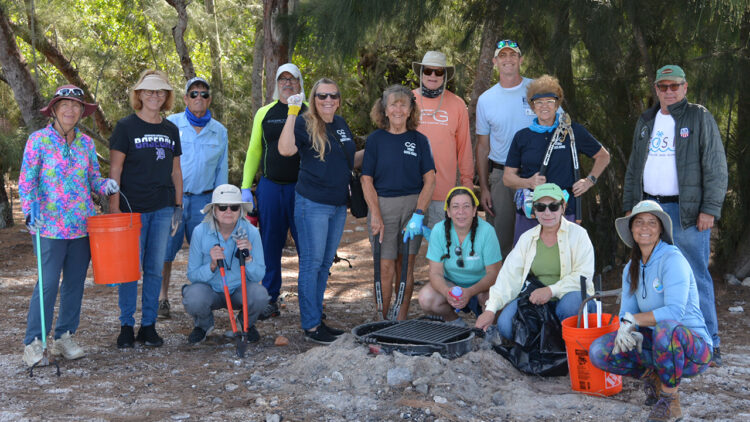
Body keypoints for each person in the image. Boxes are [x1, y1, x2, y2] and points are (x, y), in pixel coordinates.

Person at [623, 65, 728, 366]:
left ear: (685, 88)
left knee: (695, 274)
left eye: (675, 86)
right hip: (649, 210)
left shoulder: (699, 117)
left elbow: (716, 165)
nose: (669, 91)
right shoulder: (646, 120)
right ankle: (659, 341)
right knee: (649, 273)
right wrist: (632, 205)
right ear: (655, 89)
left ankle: (710, 342)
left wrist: (710, 208)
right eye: (663, 86)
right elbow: (633, 168)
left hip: (687, 212)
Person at [19, 85, 119, 367]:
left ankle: (64, 336)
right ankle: (34, 343)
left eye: (76, 105)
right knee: (48, 285)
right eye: (64, 104)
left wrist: (105, 185)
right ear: (53, 109)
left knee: (74, 284)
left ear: (81, 112)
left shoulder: (86, 144)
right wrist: (28, 212)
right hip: (47, 226)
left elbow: (92, 180)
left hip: (82, 226)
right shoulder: (37, 140)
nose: (70, 110)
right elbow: (26, 182)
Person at [589, 200, 712, 422]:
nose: (645, 227)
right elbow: (626, 314)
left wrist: (634, 320)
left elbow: (674, 313)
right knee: (599, 350)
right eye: (639, 222)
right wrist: (625, 330)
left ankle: (669, 400)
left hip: (694, 351)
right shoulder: (630, 268)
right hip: (659, 344)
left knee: (666, 329)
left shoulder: (672, 259)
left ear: (661, 229)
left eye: (651, 222)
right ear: (632, 229)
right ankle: (654, 378)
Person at [278, 78, 359, 344]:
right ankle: (311, 326)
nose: (328, 101)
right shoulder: (303, 122)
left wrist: (381, 148)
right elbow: (286, 149)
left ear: (339, 98)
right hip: (312, 203)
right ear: (313, 98)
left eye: (333, 96)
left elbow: (347, 157)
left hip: (338, 205)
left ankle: (317, 318)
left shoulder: (342, 124)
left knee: (325, 264)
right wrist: (291, 112)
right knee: (311, 264)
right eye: (322, 96)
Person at [109, 70, 182, 349]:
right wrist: (114, 207)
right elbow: (115, 168)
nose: (155, 96)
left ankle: (148, 325)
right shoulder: (126, 127)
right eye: (150, 91)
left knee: (153, 269)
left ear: (166, 97)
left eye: (161, 92)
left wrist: (178, 204)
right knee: (129, 270)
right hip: (131, 210)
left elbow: (176, 170)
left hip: (162, 209)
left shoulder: (170, 129)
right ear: (139, 95)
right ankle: (126, 325)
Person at [475, 183, 594, 339]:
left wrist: (551, 290)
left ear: (563, 207)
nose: (547, 212)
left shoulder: (579, 234)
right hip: (536, 298)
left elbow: (583, 277)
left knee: (570, 307)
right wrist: (491, 309)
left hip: (568, 297)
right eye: (540, 207)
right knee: (505, 326)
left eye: (553, 206)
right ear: (534, 211)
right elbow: (509, 277)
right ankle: (544, 344)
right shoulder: (527, 238)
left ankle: (568, 346)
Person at [503, 74, 610, 243]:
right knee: (527, 261)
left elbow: (603, 156)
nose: (544, 106)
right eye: (539, 102)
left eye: (549, 101)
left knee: (566, 261)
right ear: (532, 106)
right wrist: (529, 182)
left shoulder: (572, 131)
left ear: (557, 104)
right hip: (532, 210)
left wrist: (589, 181)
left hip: (565, 209)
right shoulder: (522, 137)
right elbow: (507, 178)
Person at [362, 85, 436, 320]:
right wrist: (375, 213)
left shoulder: (420, 140)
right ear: (384, 109)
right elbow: (366, 179)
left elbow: (430, 179)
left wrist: (419, 213)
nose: (398, 109)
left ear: (410, 109)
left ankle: (400, 319)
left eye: (403, 104)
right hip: (383, 206)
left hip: (412, 209)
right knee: (384, 267)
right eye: (393, 103)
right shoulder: (375, 140)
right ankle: (381, 319)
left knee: (405, 267)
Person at [159, 76, 228, 320]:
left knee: (205, 251)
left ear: (209, 99)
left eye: (204, 93)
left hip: (203, 200)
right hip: (172, 200)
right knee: (165, 250)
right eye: (194, 93)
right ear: (186, 98)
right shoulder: (171, 124)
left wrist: (221, 205)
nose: (199, 97)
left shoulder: (219, 131)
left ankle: (202, 301)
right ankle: (162, 299)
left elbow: (222, 170)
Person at [241, 63, 306, 321]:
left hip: (303, 190)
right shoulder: (264, 113)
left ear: (300, 83)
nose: (287, 83)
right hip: (270, 187)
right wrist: (246, 187)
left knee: (307, 247)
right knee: (270, 243)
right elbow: (254, 150)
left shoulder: (309, 111)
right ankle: (270, 298)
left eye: (292, 79)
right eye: (283, 79)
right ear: (276, 83)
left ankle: (310, 301)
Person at [182, 184, 268, 344]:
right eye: (222, 207)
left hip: (238, 289)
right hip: (210, 289)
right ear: (214, 210)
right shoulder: (200, 231)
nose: (228, 211)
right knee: (193, 297)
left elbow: (259, 275)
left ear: (240, 211)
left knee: (260, 295)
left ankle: (246, 324)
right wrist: (212, 265)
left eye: (234, 207)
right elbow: (192, 275)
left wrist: (248, 259)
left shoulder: (252, 232)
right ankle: (203, 325)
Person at [476, 39, 539, 259]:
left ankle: (534, 292)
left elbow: (558, 131)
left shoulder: (537, 90)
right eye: (502, 56)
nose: (508, 59)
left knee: (537, 241)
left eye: (513, 55)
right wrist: (484, 187)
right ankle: (499, 292)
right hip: (501, 178)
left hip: (536, 176)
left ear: (521, 60)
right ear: (494, 61)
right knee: (499, 243)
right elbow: (483, 147)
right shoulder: (486, 100)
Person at [418, 187, 501, 326]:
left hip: (482, 286)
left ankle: (490, 329)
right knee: (426, 298)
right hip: (453, 284)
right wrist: (446, 291)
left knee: (493, 297)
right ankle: (456, 323)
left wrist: (470, 291)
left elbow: (494, 274)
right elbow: (435, 273)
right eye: (455, 207)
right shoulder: (439, 230)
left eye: (466, 206)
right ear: (448, 212)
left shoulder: (487, 231)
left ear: (475, 211)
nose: (461, 212)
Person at [411, 51, 473, 229]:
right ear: (421, 72)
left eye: (438, 72)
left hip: (443, 193)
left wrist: (467, 186)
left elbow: (464, 148)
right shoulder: (407, 99)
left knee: (442, 250)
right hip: (410, 191)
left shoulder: (457, 104)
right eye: (428, 71)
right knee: (407, 252)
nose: (432, 76)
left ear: (445, 76)